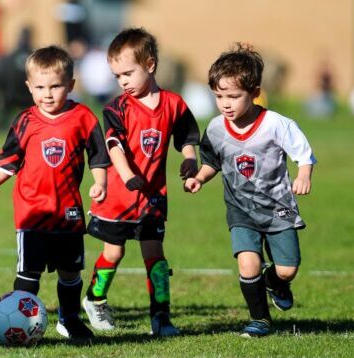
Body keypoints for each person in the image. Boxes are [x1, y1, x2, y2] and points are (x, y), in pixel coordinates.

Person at [0, 45, 110, 342]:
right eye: (39, 87)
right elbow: (9, 160)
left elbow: (98, 156)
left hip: (68, 211)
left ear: (71, 85)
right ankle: (21, 325)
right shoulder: (25, 121)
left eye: (55, 86)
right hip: (32, 213)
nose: (47, 94)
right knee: (29, 275)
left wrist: (100, 183)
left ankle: (70, 319)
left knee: (70, 273)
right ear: (29, 87)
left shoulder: (83, 117)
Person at [183, 43, 316, 337]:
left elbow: (302, 153)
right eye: (218, 96)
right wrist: (199, 179)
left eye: (233, 96)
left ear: (255, 92)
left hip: (277, 207)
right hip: (240, 209)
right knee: (247, 262)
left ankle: (276, 282)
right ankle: (260, 319)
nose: (225, 104)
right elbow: (212, 162)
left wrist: (303, 175)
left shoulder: (276, 124)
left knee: (287, 269)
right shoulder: (216, 128)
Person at [81, 28, 200, 337]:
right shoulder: (116, 109)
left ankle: (161, 318)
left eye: (127, 73)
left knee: (155, 255)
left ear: (150, 64)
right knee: (114, 253)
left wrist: (189, 158)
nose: (122, 82)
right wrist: (126, 175)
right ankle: (95, 300)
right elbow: (114, 146)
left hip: (152, 198)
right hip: (118, 198)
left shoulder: (174, 104)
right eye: (117, 75)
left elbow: (186, 136)